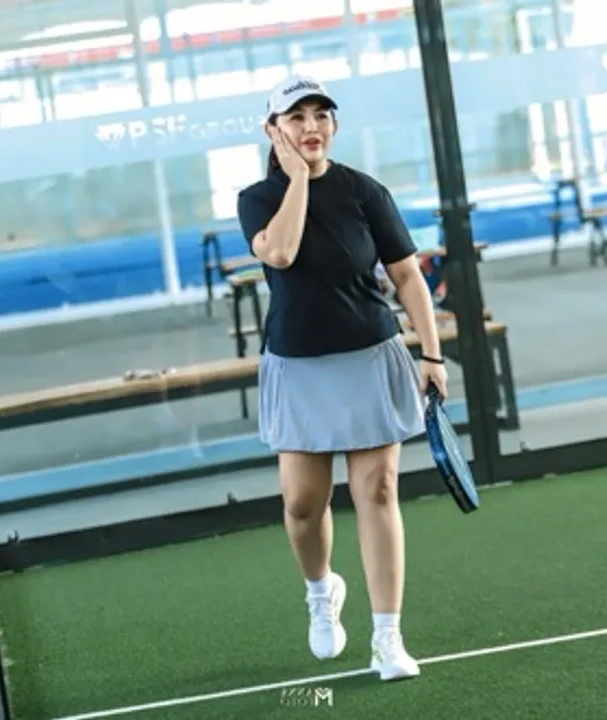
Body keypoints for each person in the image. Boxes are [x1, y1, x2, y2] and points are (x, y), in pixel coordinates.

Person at [236, 75, 448, 682]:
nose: (311, 126)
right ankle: (321, 590)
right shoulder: (256, 198)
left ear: (334, 123)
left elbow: (406, 277)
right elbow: (280, 253)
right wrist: (299, 180)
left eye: (321, 115)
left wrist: (432, 355)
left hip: (370, 355)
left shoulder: (364, 191)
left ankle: (388, 639)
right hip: (297, 366)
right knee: (302, 505)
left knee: (377, 492)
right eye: (296, 117)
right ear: (272, 129)